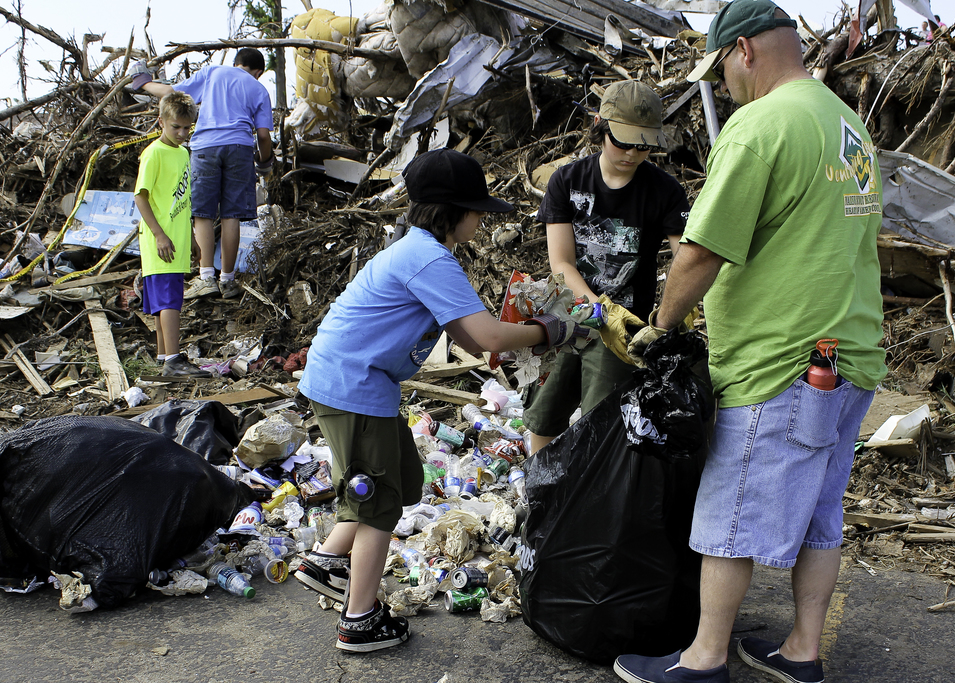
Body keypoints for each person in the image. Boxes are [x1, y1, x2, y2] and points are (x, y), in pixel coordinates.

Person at [614, 1, 886, 682]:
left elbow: (703, 251)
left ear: (745, 52)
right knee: (823, 512)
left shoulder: (760, 126)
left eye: (722, 71)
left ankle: (704, 660)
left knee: (728, 511)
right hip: (848, 354)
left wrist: (661, 325)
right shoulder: (846, 124)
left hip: (780, 360)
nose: (725, 87)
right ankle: (802, 649)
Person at [291, 148, 583, 653]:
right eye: (477, 212)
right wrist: (547, 330)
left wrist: (523, 337)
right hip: (353, 384)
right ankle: (359, 620)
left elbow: (470, 340)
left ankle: (328, 558)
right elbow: (488, 336)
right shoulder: (428, 257)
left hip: (357, 381)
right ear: (455, 211)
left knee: (399, 481)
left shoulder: (418, 250)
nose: (479, 221)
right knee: (379, 501)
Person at [522, 80, 690, 455]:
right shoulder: (567, 181)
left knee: (602, 421)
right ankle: (539, 494)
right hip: (568, 312)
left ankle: (589, 500)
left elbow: (685, 258)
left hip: (623, 329)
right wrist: (598, 308)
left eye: (643, 145)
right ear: (600, 127)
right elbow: (561, 262)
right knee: (544, 415)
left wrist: (674, 312)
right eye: (623, 142)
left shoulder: (664, 191)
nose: (632, 153)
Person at [131, 48, 273, 300]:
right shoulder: (258, 89)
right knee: (232, 215)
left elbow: (170, 93)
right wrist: (264, 163)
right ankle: (228, 281)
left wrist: (144, 83)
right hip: (240, 148)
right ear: (258, 72)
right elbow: (263, 136)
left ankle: (206, 277)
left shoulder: (213, 73)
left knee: (203, 213)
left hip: (205, 146)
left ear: (235, 62)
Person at [133, 92, 210, 378]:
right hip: (160, 240)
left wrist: (190, 238)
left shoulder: (182, 153)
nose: (181, 133)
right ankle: (175, 360)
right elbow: (141, 197)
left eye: (186, 128)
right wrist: (160, 235)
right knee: (169, 300)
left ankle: (164, 355)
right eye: (175, 127)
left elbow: (182, 201)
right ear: (161, 122)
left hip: (176, 238)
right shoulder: (154, 153)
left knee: (160, 301)